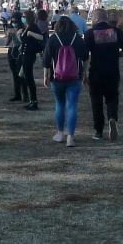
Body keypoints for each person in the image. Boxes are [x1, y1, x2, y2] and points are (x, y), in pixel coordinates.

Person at [83, 8, 123, 141]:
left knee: (96, 102)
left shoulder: (90, 33)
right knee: (112, 98)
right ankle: (112, 118)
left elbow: (85, 56)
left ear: (95, 19)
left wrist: (84, 73)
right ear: (106, 17)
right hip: (113, 72)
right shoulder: (116, 31)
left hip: (96, 72)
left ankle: (98, 131)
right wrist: (116, 55)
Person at [43, 14, 88, 147]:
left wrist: (46, 76)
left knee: (60, 104)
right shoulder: (78, 39)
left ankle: (60, 133)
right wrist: (85, 73)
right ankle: (70, 137)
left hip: (57, 78)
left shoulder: (53, 39)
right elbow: (85, 57)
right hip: (75, 77)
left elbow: (46, 60)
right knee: (72, 105)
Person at [19, 14, 45, 110]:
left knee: (29, 78)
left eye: (24, 16)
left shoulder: (33, 27)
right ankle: (30, 99)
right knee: (22, 75)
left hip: (29, 55)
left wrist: (31, 33)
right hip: (25, 54)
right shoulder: (26, 27)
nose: (23, 18)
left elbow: (41, 37)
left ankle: (34, 101)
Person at [4, 14, 25, 102]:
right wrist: (8, 35)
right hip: (11, 50)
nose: (14, 23)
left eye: (15, 21)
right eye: (12, 21)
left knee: (21, 74)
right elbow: (6, 43)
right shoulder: (10, 28)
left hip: (20, 51)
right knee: (14, 74)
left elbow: (24, 41)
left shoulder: (23, 28)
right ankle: (17, 94)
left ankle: (25, 95)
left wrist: (18, 34)